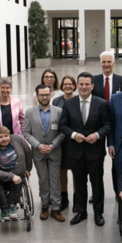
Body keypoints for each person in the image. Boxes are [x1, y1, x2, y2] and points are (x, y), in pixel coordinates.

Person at [59, 72, 111, 226]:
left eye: (87, 84)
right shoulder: (69, 104)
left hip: (95, 151)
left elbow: (107, 125)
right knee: (80, 183)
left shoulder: (101, 103)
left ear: (92, 86)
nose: (84, 87)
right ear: (77, 86)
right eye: (81, 84)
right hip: (76, 151)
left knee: (97, 183)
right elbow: (63, 125)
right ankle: (81, 212)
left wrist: (97, 135)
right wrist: (74, 135)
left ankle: (98, 213)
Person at [23, 84, 66, 222]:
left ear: (50, 95)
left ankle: (56, 208)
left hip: (55, 151)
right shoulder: (30, 113)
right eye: (41, 94)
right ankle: (45, 206)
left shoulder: (59, 111)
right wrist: (38, 145)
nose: (44, 97)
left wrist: (53, 145)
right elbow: (26, 133)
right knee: (43, 180)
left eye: (47, 94)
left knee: (55, 180)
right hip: (38, 152)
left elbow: (63, 132)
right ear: (37, 95)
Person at [92, 51, 122, 202]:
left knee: (116, 160)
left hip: (117, 126)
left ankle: (119, 191)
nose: (106, 64)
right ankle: (96, 192)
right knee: (96, 162)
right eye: (103, 62)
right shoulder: (94, 80)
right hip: (97, 127)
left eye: (108, 62)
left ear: (114, 63)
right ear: (100, 63)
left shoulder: (121, 80)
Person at [0, 126, 32, 220]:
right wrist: (10, 176)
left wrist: (27, 169)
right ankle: (4, 208)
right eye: (0, 137)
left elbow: (27, 153)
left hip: (16, 173)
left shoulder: (17, 140)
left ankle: (12, 204)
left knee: (19, 178)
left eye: (6, 136)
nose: (4, 139)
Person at [52, 76, 77, 211]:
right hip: (60, 140)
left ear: (74, 86)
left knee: (75, 170)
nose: (67, 86)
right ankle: (64, 198)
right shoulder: (56, 101)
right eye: (65, 84)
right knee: (62, 170)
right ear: (62, 86)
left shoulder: (78, 100)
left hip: (74, 141)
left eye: (70, 84)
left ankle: (76, 198)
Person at [0, 77, 24, 142]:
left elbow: (23, 121)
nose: (5, 90)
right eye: (3, 87)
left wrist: (21, 136)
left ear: (11, 89)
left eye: (7, 88)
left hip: (15, 138)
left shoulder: (17, 102)